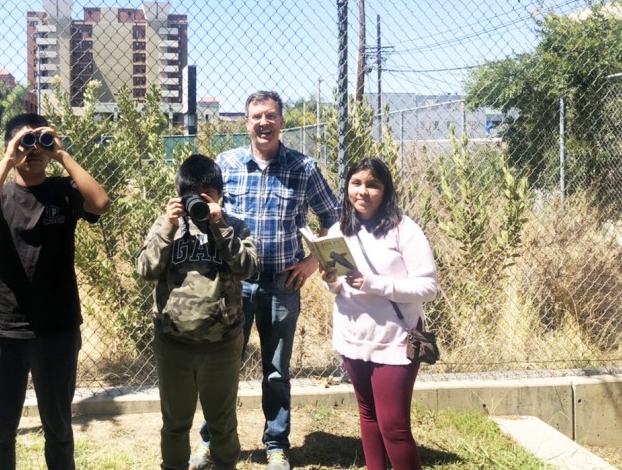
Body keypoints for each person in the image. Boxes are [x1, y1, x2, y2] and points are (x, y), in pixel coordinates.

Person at [191, 91, 339, 470]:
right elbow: (205, 219)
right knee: (223, 368)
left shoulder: (302, 168)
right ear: (246, 122)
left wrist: (310, 263)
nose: (263, 123)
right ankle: (211, 441)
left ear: (281, 121)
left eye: (270, 115)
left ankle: (276, 444)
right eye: (256, 116)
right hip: (233, 287)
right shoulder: (226, 165)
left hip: (281, 285)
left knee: (276, 370)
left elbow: (334, 218)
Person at [0, 113, 110, 470]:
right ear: (10, 149)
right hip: (4, 328)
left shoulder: (63, 191)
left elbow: (101, 204)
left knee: (59, 428)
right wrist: (5, 161)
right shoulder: (1, 194)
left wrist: (62, 154)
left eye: (40, 142)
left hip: (57, 327)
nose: (33, 150)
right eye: (23, 143)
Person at [136, 154, 258, 470]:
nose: (200, 204)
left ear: (219, 196)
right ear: (179, 196)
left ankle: (225, 464)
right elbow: (146, 269)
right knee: (175, 421)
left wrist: (218, 224)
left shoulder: (233, 226)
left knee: (222, 421)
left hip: (221, 343)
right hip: (173, 343)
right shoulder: (168, 227)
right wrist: (168, 224)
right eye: (193, 197)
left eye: (208, 196)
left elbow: (249, 268)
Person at [321, 157, 438, 470]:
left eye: (372, 184)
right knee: (368, 416)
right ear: (346, 187)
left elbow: (428, 287)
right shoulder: (338, 230)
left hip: (394, 341)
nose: (363, 191)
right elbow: (341, 287)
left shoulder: (404, 230)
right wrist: (331, 282)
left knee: (394, 428)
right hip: (353, 337)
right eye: (356, 183)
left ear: (385, 191)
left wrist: (373, 284)